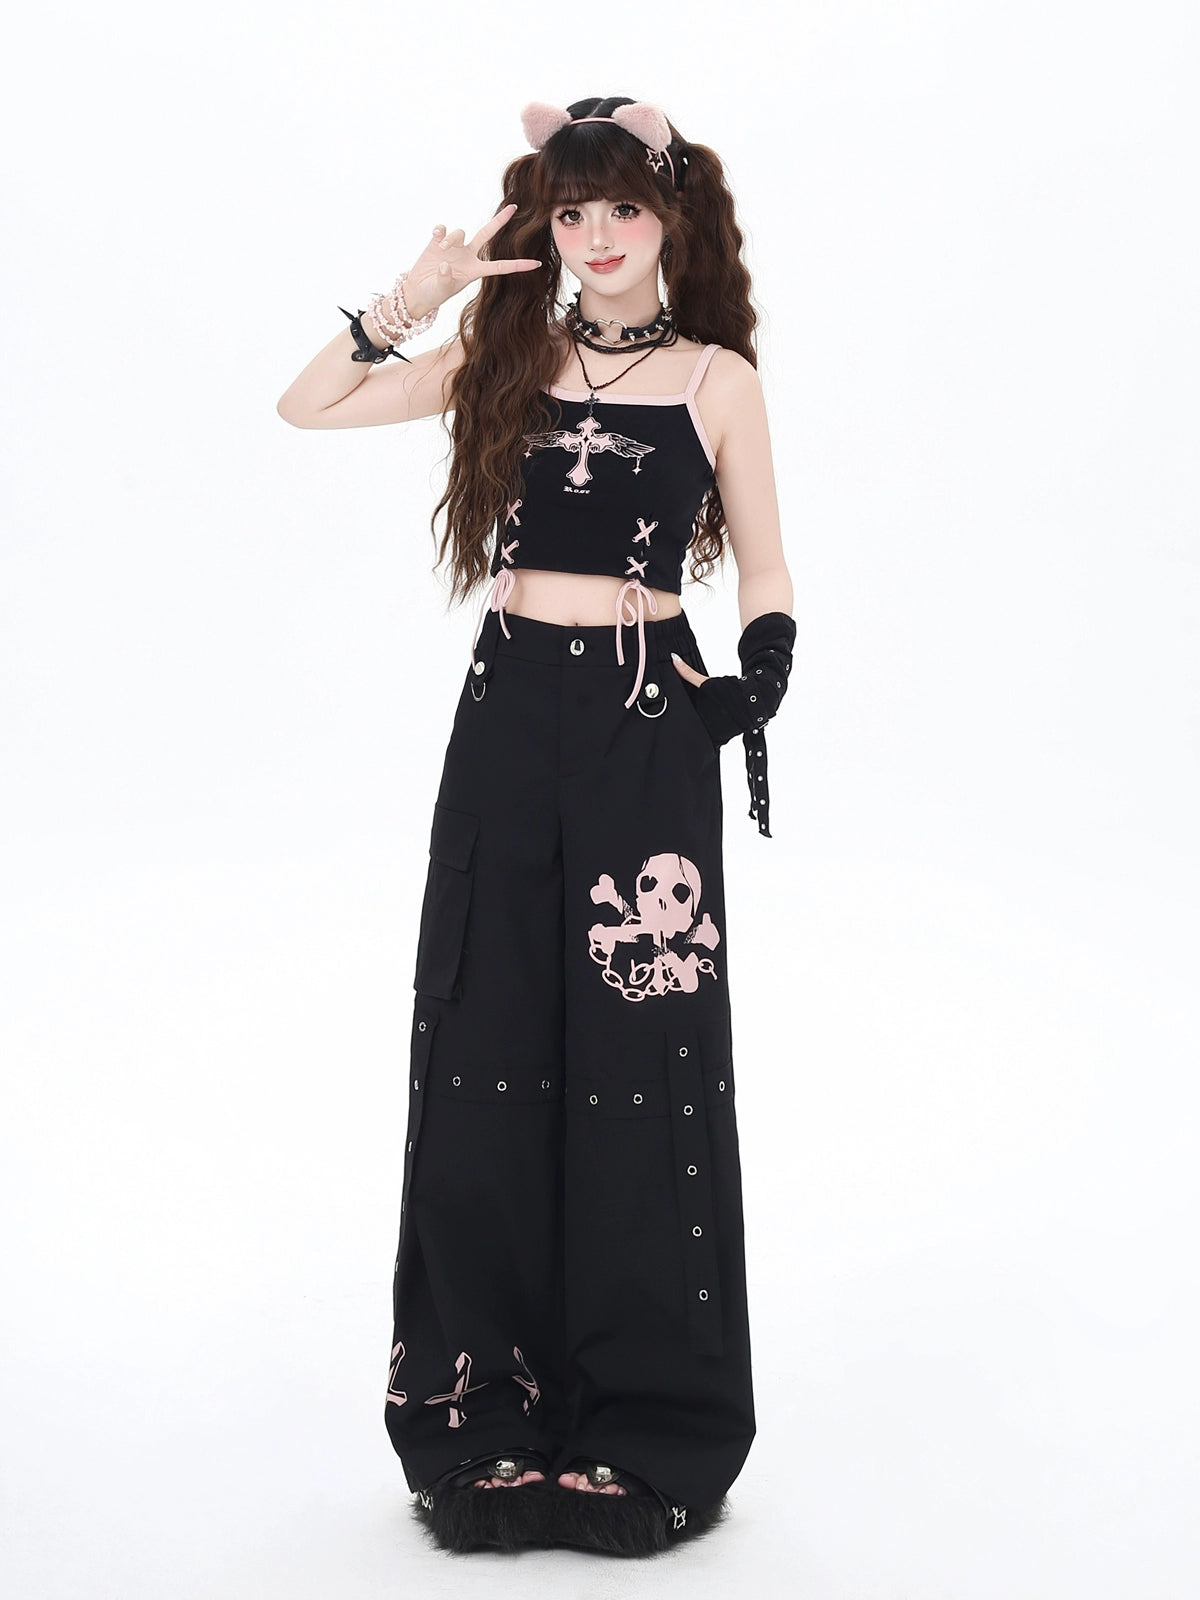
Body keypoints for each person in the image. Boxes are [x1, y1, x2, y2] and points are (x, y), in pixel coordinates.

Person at [276, 94, 796, 1558]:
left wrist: (752, 685)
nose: (598, 236)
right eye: (574, 213)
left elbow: (768, 573)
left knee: (646, 1050)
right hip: (508, 712)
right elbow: (308, 405)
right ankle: (482, 1417)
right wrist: (417, 296)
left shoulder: (717, 381)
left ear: (671, 217)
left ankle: (648, 1428)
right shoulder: (504, 352)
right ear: (546, 227)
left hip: (646, 714)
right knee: (487, 1032)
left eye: (623, 207)